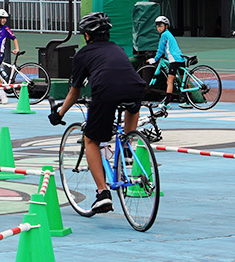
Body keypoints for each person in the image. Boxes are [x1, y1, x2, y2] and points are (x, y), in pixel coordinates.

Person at [47, 11, 158, 215]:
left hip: (106, 91)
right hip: (136, 87)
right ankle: (127, 145)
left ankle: (103, 193)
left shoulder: (82, 54)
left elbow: (74, 91)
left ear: (87, 36)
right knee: (131, 108)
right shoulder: (117, 48)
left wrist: (59, 114)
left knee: (91, 140)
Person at [150, 15, 186, 101]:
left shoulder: (164, 35)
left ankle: (166, 102)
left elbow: (160, 49)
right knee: (184, 81)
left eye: (161, 26)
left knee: (169, 81)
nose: (158, 28)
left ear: (166, 26)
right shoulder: (169, 34)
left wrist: (155, 59)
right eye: (157, 26)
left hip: (174, 60)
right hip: (180, 58)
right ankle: (188, 101)